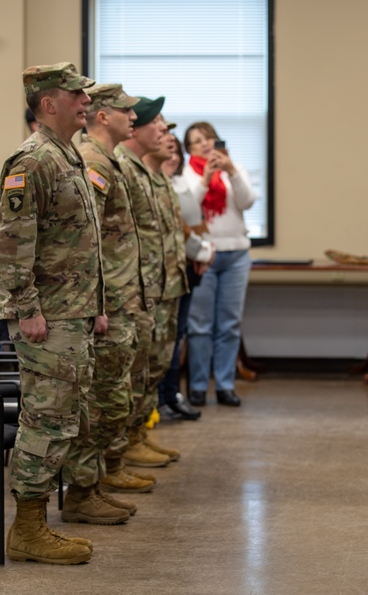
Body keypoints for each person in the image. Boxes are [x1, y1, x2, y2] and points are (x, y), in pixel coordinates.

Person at [0, 62, 104, 564]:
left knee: (64, 418)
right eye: (76, 95)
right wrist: (24, 310)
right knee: (45, 420)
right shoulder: (32, 160)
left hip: (71, 314)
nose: (86, 103)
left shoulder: (68, 157)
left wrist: (93, 308)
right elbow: (10, 243)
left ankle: (37, 521)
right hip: (47, 319)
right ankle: (28, 529)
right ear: (48, 103)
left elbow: (78, 245)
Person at [68, 83, 155, 516]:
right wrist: (98, 303)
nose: (134, 118)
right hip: (108, 303)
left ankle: (95, 483)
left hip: (121, 298)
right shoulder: (93, 161)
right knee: (101, 400)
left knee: (113, 396)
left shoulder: (107, 160)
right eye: (126, 111)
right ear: (103, 116)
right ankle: (81, 495)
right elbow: (89, 239)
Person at [116, 96, 184, 468]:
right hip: (136, 289)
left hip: (162, 283)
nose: (165, 131)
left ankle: (138, 433)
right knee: (137, 370)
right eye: (156, 122)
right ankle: (127, 443)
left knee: (153, 365)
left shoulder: (150, 174)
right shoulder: (124, 168)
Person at [182, 122, 257, 407]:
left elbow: (247, 201)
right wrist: (206, 178)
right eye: (197, 141)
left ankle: (225, 385)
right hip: (204, 256)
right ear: (188, 148)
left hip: (236, 254)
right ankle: (199, 386)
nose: (204, 144)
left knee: (229, 324)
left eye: (208, 138)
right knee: (200, 325)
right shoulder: (187, 173)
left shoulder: (234, 169)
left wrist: (232, 172)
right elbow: (189, 209)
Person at [157, 124, 210, 421]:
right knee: (167, 338)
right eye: (169, 150)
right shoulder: (159, 184)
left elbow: (197, 223)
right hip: (169, 268)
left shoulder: (180, 184)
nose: (174, 157)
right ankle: (161, 398)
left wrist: (205, 249)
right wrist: (204, 252)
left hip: (188, 267)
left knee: (178, 336)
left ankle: (172, 394)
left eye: (176, 151)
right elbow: (177, 228)